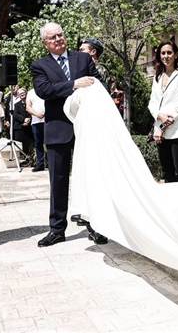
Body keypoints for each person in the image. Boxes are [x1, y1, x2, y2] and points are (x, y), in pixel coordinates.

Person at [31, 22, 108, 247]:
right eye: (52, 37)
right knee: (58, 181)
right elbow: (44, 90)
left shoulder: (82, 59)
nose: (58, 39)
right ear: (45, 43)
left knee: (91, 178)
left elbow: (98, 84)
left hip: (86, 128)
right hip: (58, 130)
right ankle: (57, 229)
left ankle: (95, 225)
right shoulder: (40, 65)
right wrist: (74, 84)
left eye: (60, 35)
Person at [147, 41, 178, 182]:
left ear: (176, 55)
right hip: (160, 132)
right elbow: (152, 103)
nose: (166, 56)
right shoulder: (157, 77)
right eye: (163, 53)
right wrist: (159, 117)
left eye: (169, 53)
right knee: (167, 173)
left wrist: (164, 124)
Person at [8, 87, 33, 164]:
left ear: (26, 93)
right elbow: (15, 115)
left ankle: (30, 160)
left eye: (23, 92)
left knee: (29, 145)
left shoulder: (31, 103)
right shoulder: (16, 105)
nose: (21, 94)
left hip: (29, 127)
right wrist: (23, 119)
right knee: (20, 145)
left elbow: (32, 112)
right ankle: (21, 160)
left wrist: (28, 120)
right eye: (19, 93)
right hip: (19, 127)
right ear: (18, 95)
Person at [25, 87, 46, 172]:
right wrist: (37, 114)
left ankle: (50, 163)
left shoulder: (46, 88)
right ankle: (40, 164)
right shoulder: (30, 92)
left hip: (48, 121)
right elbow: (28, 107)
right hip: (36, 121)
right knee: (38, 143)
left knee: (50, 143)